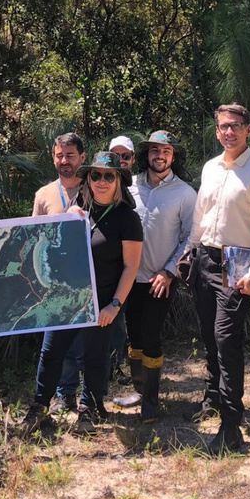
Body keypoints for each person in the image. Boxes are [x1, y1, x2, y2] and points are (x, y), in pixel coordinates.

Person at [22, 152, 143, 436]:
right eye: (95, 175)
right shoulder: (78, 207)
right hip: (65, 300)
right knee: (50, 353)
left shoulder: (128, 219)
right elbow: (52, 246)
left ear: (118, 181)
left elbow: (130, 267)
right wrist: (67, 218)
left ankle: (88, 409)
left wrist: (114, 305)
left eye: (108, 176)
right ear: (87, 179)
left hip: (101, 302)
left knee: (93, 356)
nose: (101, 181)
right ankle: (39, 408)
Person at [184, 103, 250, 454]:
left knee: (227, 339)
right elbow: (199, 217)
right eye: (223, 126)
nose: (229, 132)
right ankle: (212, 397)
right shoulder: (210, 168)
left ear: (248, 130)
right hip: (204, 261)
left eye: (236, 126)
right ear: (217, 129)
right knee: (209, 334)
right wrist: (190, 253)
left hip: (237, 268)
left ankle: (231, 426)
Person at [112, 130, 196, 423]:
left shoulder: (185, 194)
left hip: (160, 280)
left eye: (166, 152)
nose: (160, 156)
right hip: (128, 278)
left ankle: (150, 401)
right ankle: (138, 390)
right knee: (133, 337)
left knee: (151, 336)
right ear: (146, 154)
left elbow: (190, 239)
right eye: (155, 151)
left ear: (173, 156)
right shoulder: (129, 186)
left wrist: (170, 272)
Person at [32, 132, 87, 415]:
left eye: (70, 155)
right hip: (55, 283)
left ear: (82, 158)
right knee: (58, 345)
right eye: (59, 155)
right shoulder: (43, 195)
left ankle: (90, 400)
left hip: (88, 281)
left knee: (85, 345)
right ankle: (65, 395)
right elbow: (35, 237)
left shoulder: (97, 188)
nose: (64, 161)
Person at [106, 134, 136, 384]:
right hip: (107, 269)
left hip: (137, 269)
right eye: (116, 156)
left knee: (124, 323)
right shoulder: (98, 183)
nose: (121, 160)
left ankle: (119, 366)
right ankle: (105, 367)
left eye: (125, 156)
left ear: (133, 159)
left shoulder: (139, 187)